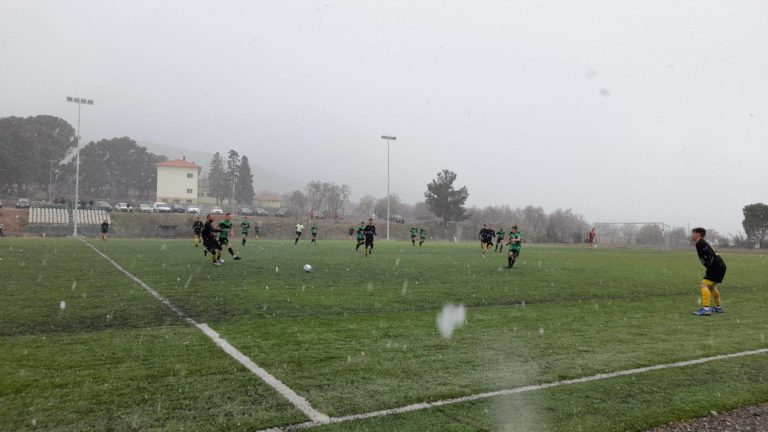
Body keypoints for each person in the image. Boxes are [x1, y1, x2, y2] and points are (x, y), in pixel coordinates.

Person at [691, 227, 726, 316]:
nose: (692, 235)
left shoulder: (700, 243)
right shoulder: (702, 243)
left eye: (694, 233)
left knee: (704, 285)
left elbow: (709, 255)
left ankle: (706, 309)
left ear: (698, 234)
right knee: (711, 286)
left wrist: (710, 266)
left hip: (715, 266)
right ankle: (718, 307)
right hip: (720, 266)